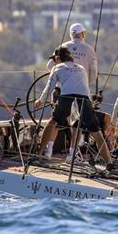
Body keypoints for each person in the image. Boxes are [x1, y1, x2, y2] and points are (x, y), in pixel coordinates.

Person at [35, 46, 113, 168]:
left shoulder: (57, 68)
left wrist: (40, 100)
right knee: (96, 132)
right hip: (84, 100)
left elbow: (49, 87)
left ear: (58, 58)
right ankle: (109, 163)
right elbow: (84, 87)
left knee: (53, 123)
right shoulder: (81, 68)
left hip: (66, 98)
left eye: (55, 60)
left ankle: (38, 155)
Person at [37, 23, 98, 157]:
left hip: (61, 89)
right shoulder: (89, 49)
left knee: (55, 121)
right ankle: (72, 155)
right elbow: (94, 74)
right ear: (83, 34)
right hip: (81, 90)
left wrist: (61, 77)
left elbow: (50, 66)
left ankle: (48, 151)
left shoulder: (62, 46)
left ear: (71, 34)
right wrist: (84, 82)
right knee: (78, 123)